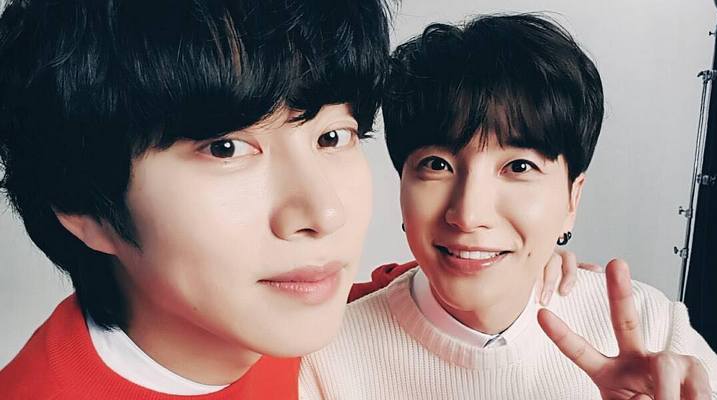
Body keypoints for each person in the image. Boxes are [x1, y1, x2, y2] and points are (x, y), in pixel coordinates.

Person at [0, 2, 588, 398]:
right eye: (227, 148)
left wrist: (518, 272)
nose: (322, 212)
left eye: (332, 137)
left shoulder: (305, 307)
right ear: (83, 204)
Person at [300, 14, 717, 399]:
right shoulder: (326, 364)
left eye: (519, 167)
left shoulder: (656, 333)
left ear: (572, 198)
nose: (468, 215)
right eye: (437, 165)